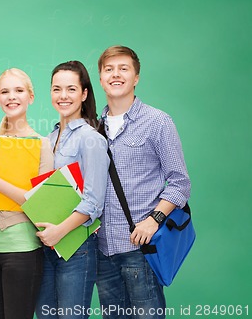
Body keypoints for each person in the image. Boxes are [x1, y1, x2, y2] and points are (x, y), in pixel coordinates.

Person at [96, 45, 191, 319]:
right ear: (101, 78)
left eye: (123, 69)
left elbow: (180, 183)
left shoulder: (158, 122)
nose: (116, 75)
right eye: (109, 69)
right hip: (103, 250)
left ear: (136, 77)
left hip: (141, 249)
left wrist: (154, 219)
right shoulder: (92, 127)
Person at [0, 68, 54, 319]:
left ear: (31, 97)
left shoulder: (42, 144)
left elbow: (41, 204)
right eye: (4, 91)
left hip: (22, 250)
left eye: (19, 90)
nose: (12, 96)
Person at [35, 60, 109, 319]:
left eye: (71, 89)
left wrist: (60, 232)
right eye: (56, 89)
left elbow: (93, 202)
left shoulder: (91, 139)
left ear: (84, 94)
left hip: (77, 247)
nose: (63, 96)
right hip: (45, 244)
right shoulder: (48, 138)